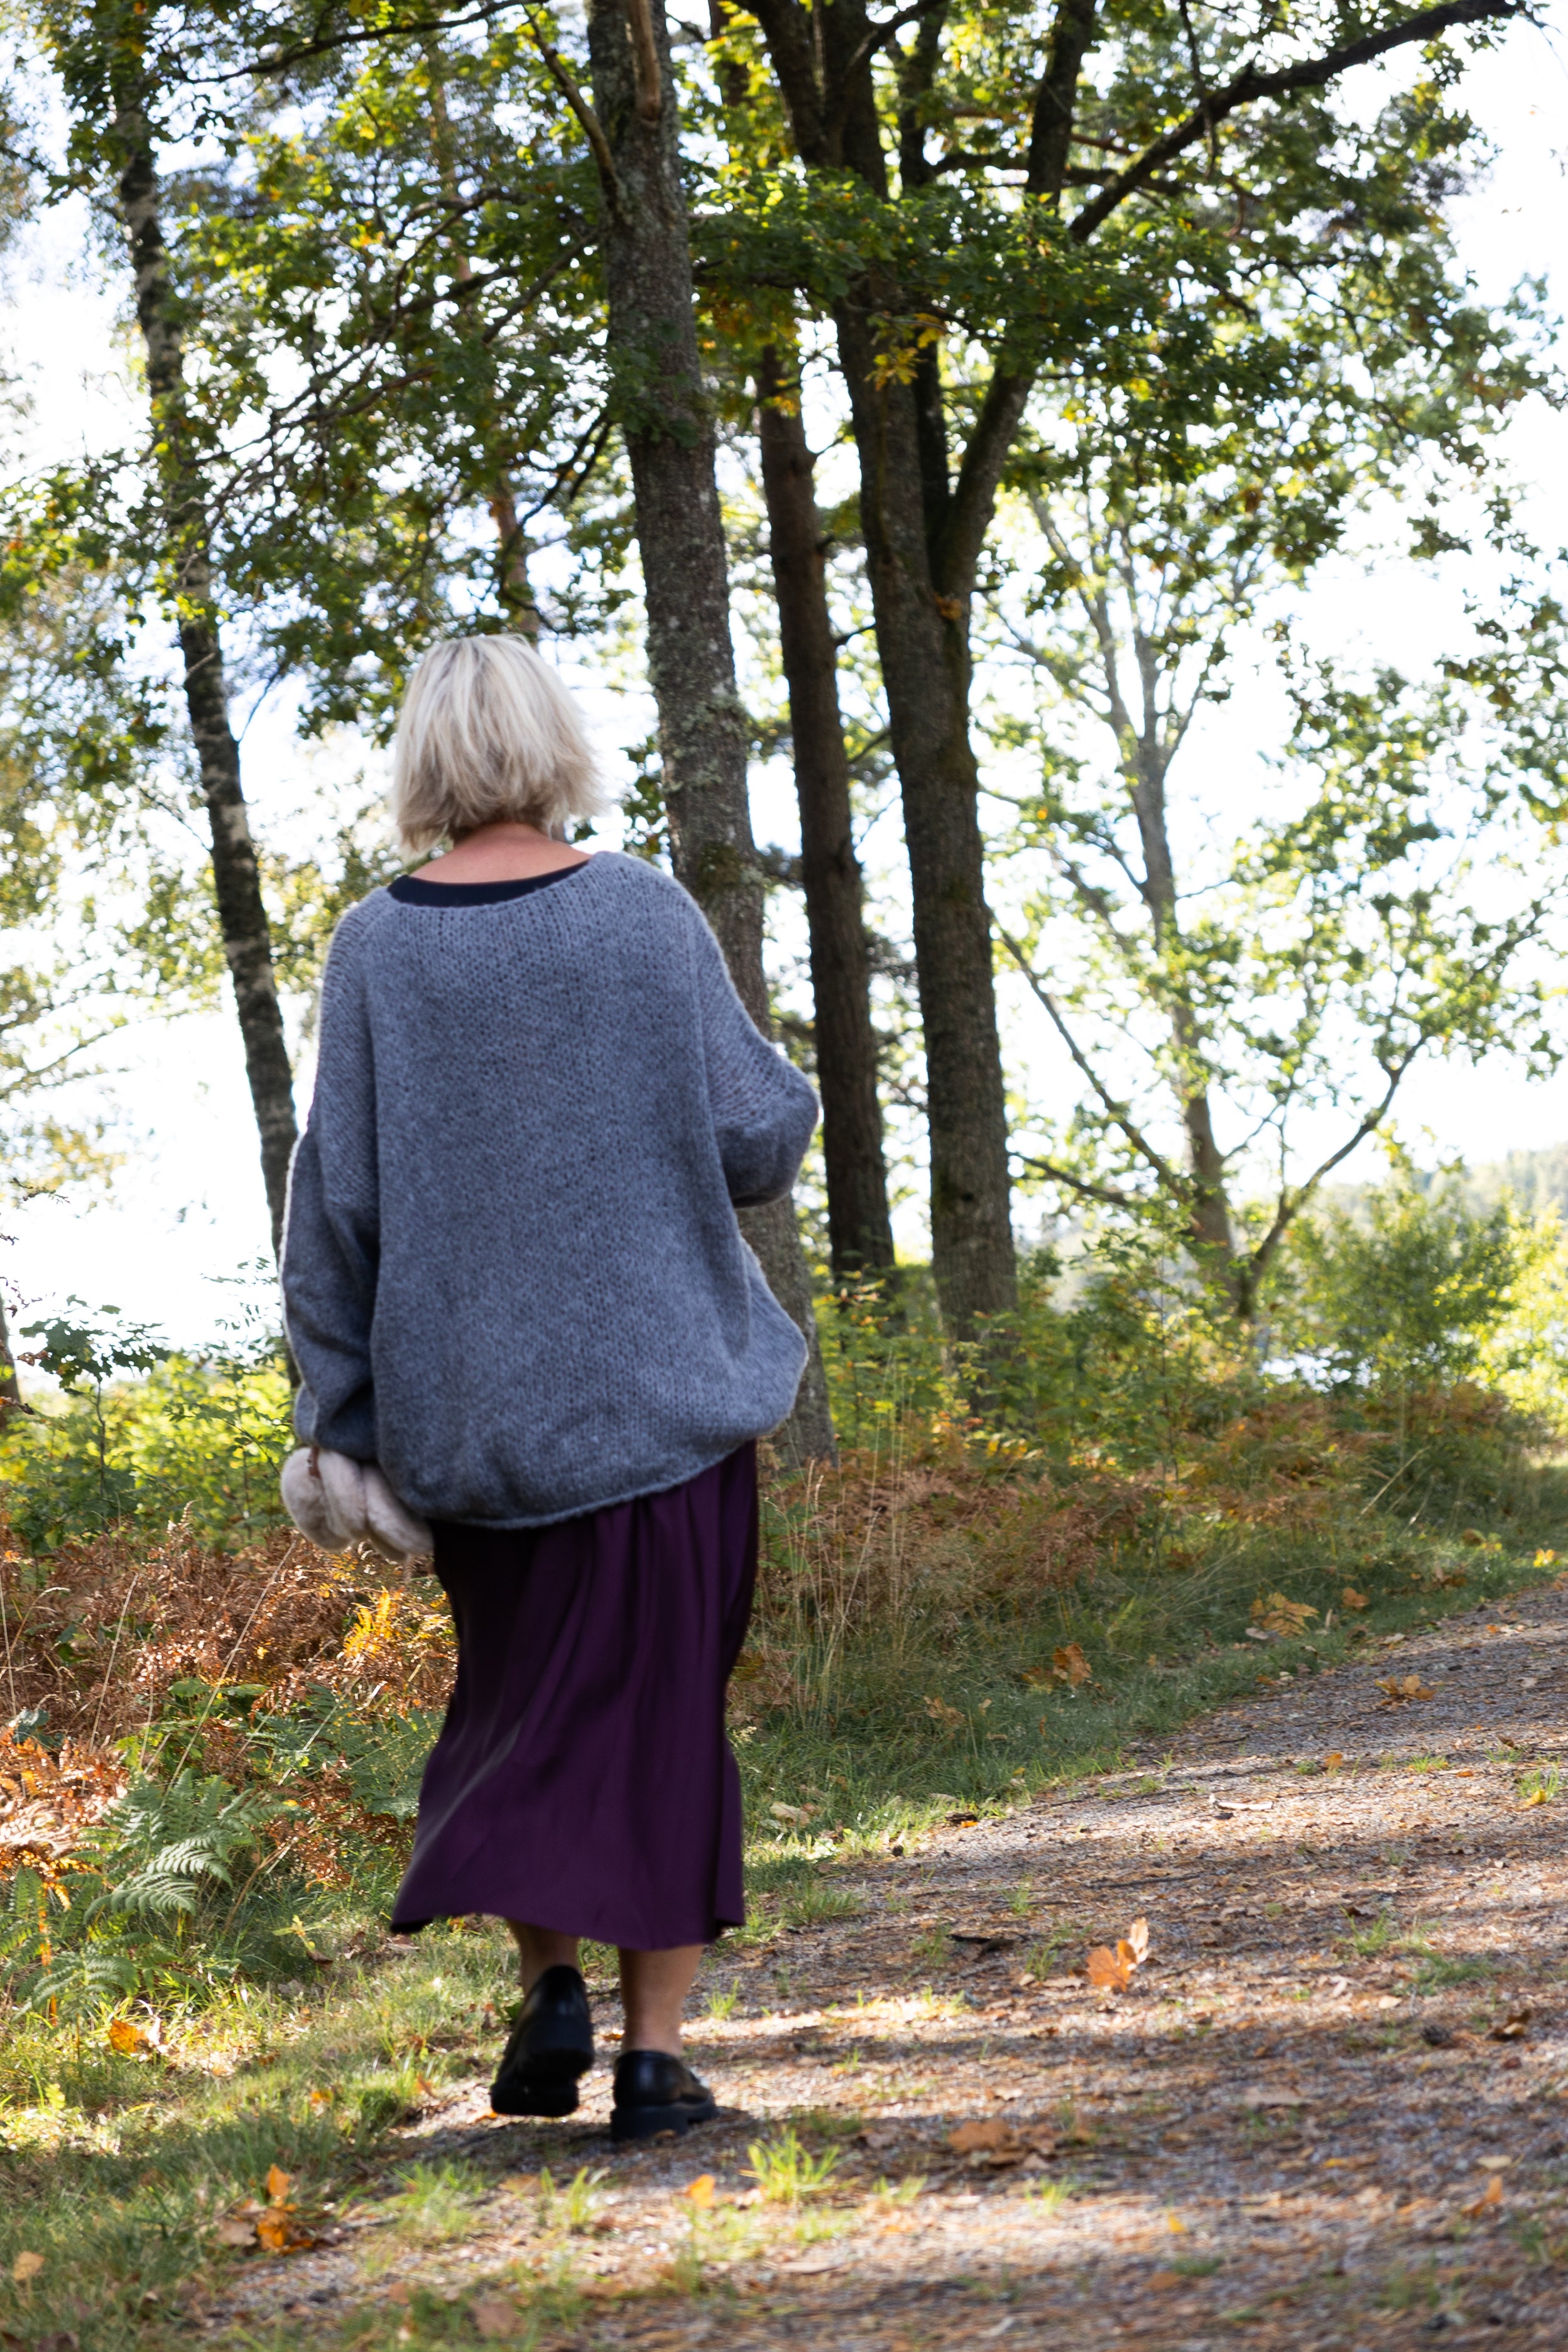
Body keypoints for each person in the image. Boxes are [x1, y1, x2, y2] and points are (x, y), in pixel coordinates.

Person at [280, 634, 818, 2142]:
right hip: (666, 1406)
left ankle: (549, 1991)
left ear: (422, 769)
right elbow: (760, 1137)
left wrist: (339, 1412)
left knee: (523, 1707)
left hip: (480, 1425)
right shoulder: (647, 917)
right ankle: (654, 2061)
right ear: (555, 745)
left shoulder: (374, 949)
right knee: (659, 1720)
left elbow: (336, 1209)